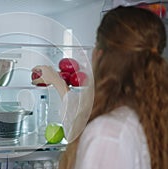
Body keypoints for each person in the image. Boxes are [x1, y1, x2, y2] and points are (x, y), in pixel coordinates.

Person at [32, 6, 168, 169]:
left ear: (99, 54)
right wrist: (57, 81)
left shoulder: (106, 133)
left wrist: (57, 80)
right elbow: (79, 124)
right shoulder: (152, 116)